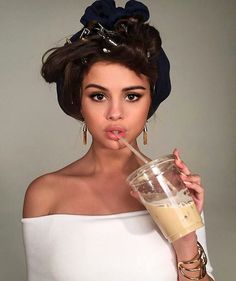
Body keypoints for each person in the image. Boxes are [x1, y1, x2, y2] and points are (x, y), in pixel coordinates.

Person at [22, 0, 214, 280]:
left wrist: (185, 239)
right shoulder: (44, 195)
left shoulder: (173, 190)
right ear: (79, 101)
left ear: (151, 101)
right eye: (98, 96)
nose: (115, 113)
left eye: (132, 96)